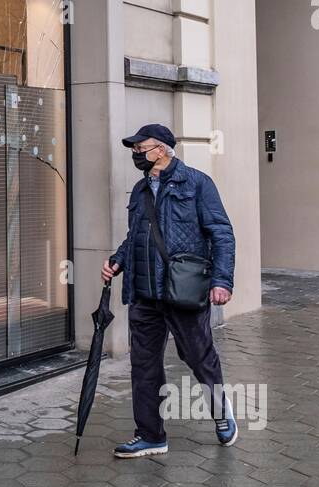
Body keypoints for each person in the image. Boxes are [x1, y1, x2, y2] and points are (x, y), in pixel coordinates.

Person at [101, 124, 237, 458]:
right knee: (144, 365)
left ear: (161, 149)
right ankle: (150, 435)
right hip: (145, 291)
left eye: (140, 148)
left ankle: (221, 411)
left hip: (183, 289)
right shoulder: (140, 190)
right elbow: (135, 235)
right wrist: (117, 260)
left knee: (198, 357)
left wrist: (222, 280)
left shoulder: (197, 183)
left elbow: (222, 233)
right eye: (133, 150)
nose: (136, 154)